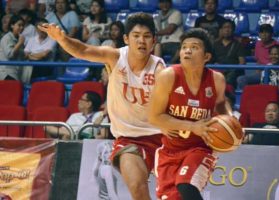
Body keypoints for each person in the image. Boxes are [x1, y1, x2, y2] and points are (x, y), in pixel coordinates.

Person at [38, 12, 165, 200]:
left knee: (175, 192)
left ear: (154, 41)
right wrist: (62, 39)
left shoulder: (159, 68)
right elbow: (84, 50)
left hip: (161, 137)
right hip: (129, 139)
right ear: (126, 39)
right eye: (136, 36)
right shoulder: (114, 57)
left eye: (146, 36)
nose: (141, 41)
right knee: (138, 188)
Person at [148, 29, 232, 200]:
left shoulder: (216, 80)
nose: (187, 50)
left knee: (187, 185)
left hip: (201, 147)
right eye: (184, 47)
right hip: (170, 150)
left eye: (194, 47)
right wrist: (192, 126)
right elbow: (154, 116)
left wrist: (230, 121)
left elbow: (222, 105)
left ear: (206, 57)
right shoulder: (168, 76)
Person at [237, 24, 279, 90]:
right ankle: (251, 97)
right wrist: (258, 72)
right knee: (241, 79)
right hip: (261, 74)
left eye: (267, 32)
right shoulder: (258, 44)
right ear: (259, 34)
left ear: (271, 34)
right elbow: (258, 60)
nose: (264, 34)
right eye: (262, 32)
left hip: (274, 74)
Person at [213, 19, 246, 88]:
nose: (227, 30)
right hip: (218, 71)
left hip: (233, 72)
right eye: (225, 27)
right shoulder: (215, 44)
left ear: (233, 30)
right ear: (221, 30)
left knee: (231, 76)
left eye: (229, 27)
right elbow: (210, 60)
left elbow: (242, 62)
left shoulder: (238, 45)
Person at [23, 18, 57, 83]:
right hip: (31, 66)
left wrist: (30, 55)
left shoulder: (53, 39)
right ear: (36, 28)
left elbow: (44, 55)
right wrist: (37, 55)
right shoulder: (31, 40)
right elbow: (25, 55)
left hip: (46, 67)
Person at [0, 15, 25, 80]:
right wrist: (19, 43)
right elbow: (10, 55)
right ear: (12, 25)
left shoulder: (19, 38)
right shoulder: (7, 38)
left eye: (23, 26)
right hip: (6, 73)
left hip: (16, 72)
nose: (21, 28)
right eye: (19, 25)